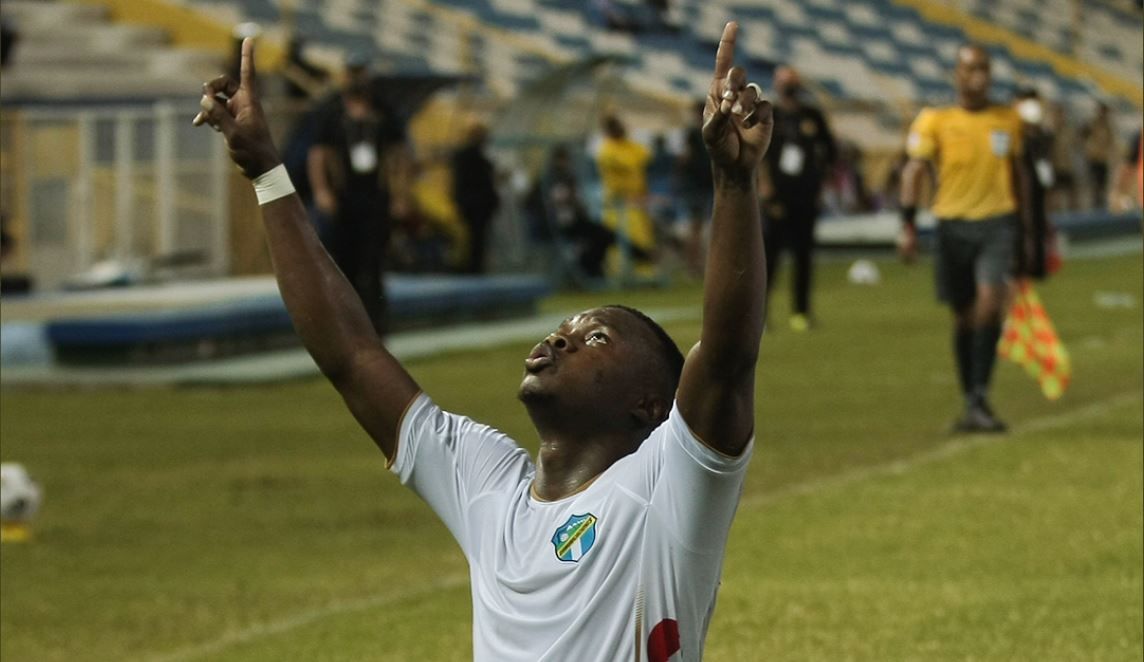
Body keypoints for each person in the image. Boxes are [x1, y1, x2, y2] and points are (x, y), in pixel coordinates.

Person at [193, 23, 770, 659]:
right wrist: (267, 172)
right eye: (561, 330)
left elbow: (725, 356)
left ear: (649, 405)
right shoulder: (489, 483)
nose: (559, 340)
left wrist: (734, 185)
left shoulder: (669, 486)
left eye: (595, 336)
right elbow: (352, 356)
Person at [899, 44, 1031, 434]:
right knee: (964, 316)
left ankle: (979, 397)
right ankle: (970, 396)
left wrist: (1030, 228)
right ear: (956, 74)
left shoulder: (1008, 120)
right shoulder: (935, 120)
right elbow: (914, 171)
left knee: (991, 305)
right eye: (972, 69)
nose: (980, 76)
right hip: (952, 224)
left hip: (997, 222)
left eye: (985, 68)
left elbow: (1020, 174)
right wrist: (907, 224)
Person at [307, 54, 412, 334]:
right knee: (344, 262)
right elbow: (318, 154)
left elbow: (398, 155)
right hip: (344, 197)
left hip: (376, 195)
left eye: (360, 73)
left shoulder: (383, 112)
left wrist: (401, 195)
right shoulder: (331, 113)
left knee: (374, 261)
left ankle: (377, 325)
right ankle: (347, 326)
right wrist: (322, 191)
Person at [759, 66, 837, 332]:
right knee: (769, 259)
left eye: (792, 82)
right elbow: (759, 154)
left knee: (804, 258)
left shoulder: (811, 116)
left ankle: (801, 312)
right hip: (776, 198)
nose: (789, 87)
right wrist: (766, 186)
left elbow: (830, 152)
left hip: (805, 197)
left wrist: (820, 183)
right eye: (784, 82)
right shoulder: (770, 115)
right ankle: (761, 315)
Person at [596, 113, 656, 275]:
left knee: (643, 238)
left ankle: (644, 274)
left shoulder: (630, 146)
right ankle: (621, 275)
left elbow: (646, 157)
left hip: (637, 200)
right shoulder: (606, 150)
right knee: (621, 239)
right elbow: (627, 164)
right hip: (618, 203)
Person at [451, 120, 501, 274]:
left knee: (474, 241)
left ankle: (472, 268)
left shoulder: (470, 157)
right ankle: (472, 269)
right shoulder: (473, 158)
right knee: (474, 241)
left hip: (472, 204)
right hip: (475, 205)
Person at [1013, 87, 1052, 280]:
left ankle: (1037, 264)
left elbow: (1044, 151)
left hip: (1036, 182)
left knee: (1036, 222)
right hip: (1019, 183)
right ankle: (1023, 264)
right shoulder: (1015, 128)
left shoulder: (1039, 130)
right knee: (1022, 223)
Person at [676, 100, 714, 274]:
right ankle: (694, 264)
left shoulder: (695, 133)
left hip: (700, 185)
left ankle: (694, 264)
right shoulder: (701, 132)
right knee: (698, 227)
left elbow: (685, 158)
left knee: (697, 227)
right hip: (702, 184)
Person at [1081, 101, 1114, 209]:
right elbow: (1082, 136)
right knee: (1093, 184)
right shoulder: (1092, 124)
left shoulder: (1108, 127)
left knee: (1102, 185)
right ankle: (1093, 205)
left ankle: (1100, 205)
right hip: (1093, 158)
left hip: (1103, 159)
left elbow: (1110, 142)